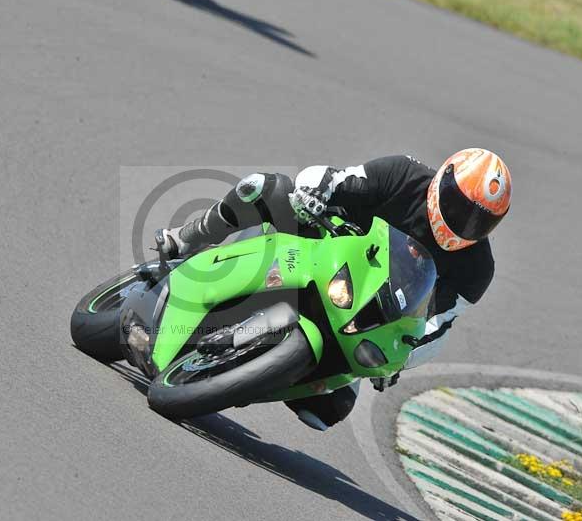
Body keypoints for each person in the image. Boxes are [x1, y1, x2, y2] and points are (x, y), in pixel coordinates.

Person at [155, 149, 513, 431]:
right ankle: (188, 239)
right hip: (319, 247)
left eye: (480, 221)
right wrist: (313, 193)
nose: (465, 223)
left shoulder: (477, 270)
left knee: (326, 410)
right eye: (458, 206)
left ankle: (238, 377)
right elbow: (334, 177)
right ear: (443, 180)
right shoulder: (403, 174)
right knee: (263, 187)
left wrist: (400, 359)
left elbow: (436, 327)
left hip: (358, 315)